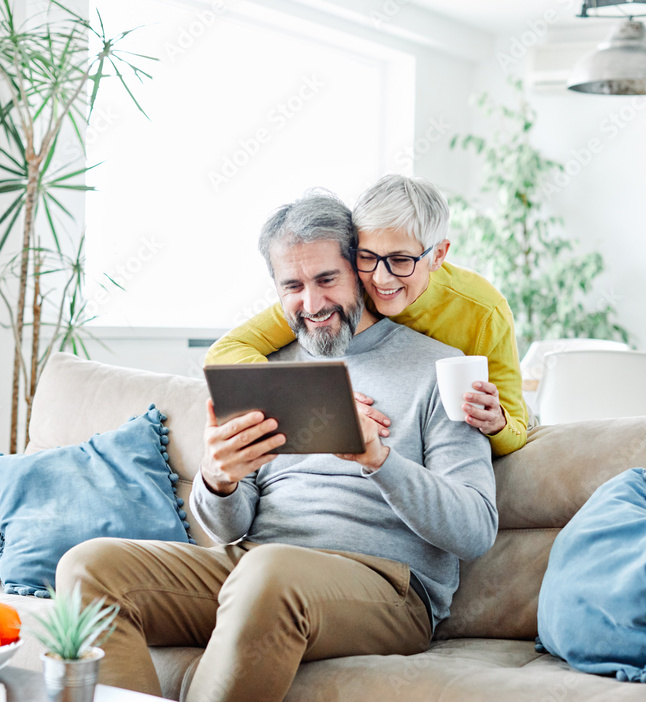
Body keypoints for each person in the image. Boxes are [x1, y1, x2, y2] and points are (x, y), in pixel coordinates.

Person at [55, 191, 497, 702]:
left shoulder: (439, 368)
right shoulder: (267, 370)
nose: (312, 305)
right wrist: (219, 479)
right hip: (256, 565)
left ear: (358, 269)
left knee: (269, 573)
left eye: (327, 280)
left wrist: (379, 459)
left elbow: (476, 530)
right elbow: (226, 529)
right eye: (293, 286)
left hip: (387, 587)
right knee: (87, 567)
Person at [206, 174, 529, 457]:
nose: (381, 279)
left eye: (401, 260)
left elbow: (517, 428)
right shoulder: (341, 293)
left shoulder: (484, 311)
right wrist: (313, 401)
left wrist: (497, 423)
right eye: (367, 257)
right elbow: (224, 352)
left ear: (438, 255)